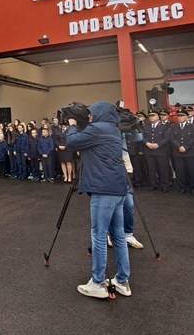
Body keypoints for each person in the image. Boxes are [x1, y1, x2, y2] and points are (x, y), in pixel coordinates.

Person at [66, 101, 132, 300]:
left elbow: (72, 142)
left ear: (99, 114)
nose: (89, 117)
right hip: (118, 189)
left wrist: (73, 124)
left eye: (91, 114)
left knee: (99, 235)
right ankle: (122, 281)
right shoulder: (113, 129)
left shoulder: (97, 129)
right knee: (119, 236)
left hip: (103, 190)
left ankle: (97, 283)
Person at [171, 108, 194, 195]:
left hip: (190, 152)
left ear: (187, 117)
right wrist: (179, 146)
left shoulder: (193, 126)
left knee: (192, 171)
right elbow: (172, 138)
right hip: (178, 152)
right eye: (179, 116)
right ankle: (182, 187)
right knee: (180, 171)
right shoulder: (173, 127)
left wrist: (186, 147)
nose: (180, 117)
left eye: (182, 116)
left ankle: (193, 187)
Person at [143, 110, 172, 192]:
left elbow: (167, 138)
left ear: (158, 116)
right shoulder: (146, 126)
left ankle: (164, 185)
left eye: (153, 115)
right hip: (149, 150)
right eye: (150, 116)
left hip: (161, 151)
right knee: (151, 168)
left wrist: (158, 144)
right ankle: (153, 184)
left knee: (163, 169)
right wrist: (147, 143)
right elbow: (142, 136)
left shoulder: (165, 126)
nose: (151, 117)